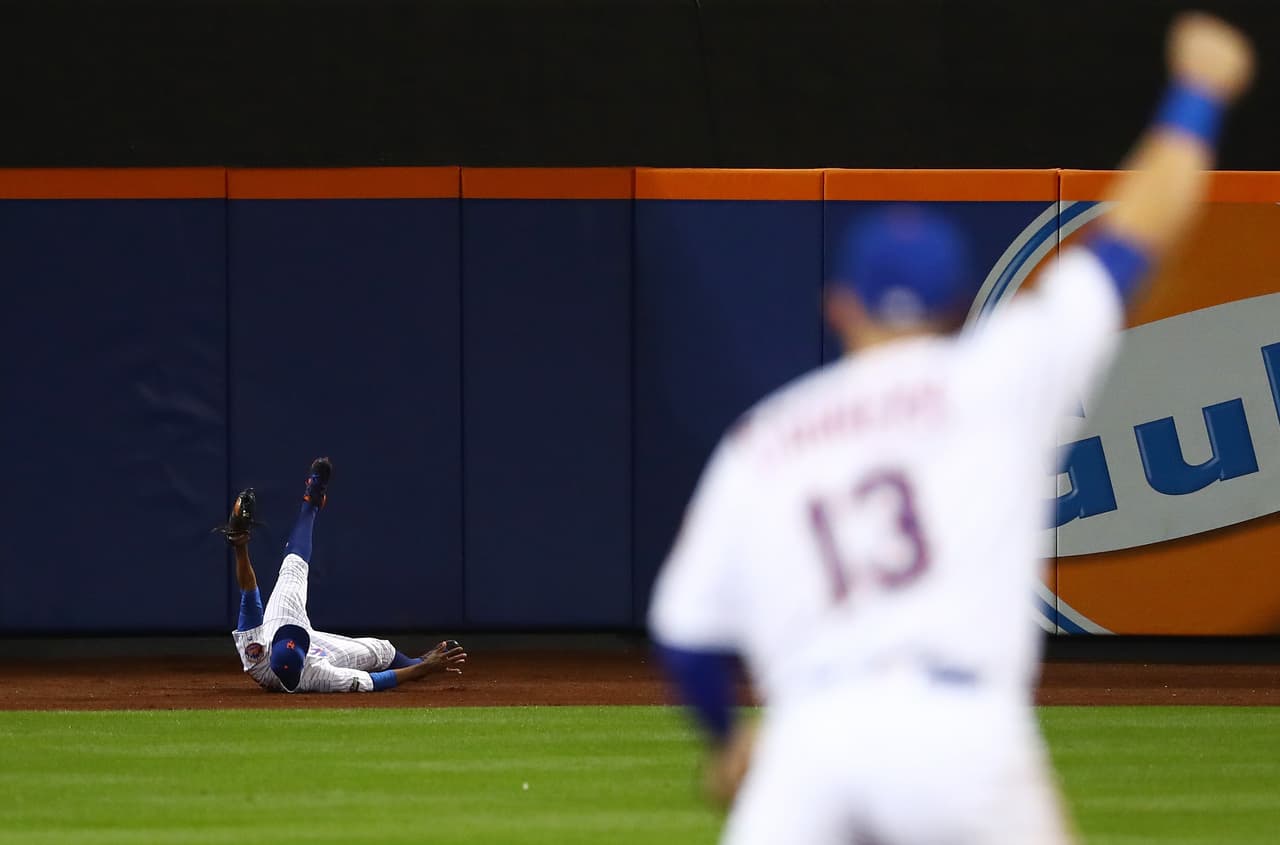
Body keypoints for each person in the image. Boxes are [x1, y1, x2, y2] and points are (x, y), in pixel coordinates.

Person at [648, 13, 1253, 844]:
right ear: (960, 305)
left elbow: (684, 634)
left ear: (841, 308)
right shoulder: (997, 370)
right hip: (959, 732)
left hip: (812, 741)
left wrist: (729, 741)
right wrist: (1199, 94)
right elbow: (1136, 236)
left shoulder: (767, 437)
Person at [215, 457, 467, 693]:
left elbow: (250, 596)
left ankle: (311, 502)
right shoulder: (319, 675)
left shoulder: (256, 652)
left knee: (293, 566)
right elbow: (375, 681)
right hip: (314, 655)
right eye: (296, 640)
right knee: (381, 650)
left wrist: (240, 548)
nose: (295, 634)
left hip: (277, 623)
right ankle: (418, 662)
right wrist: (423, 669)